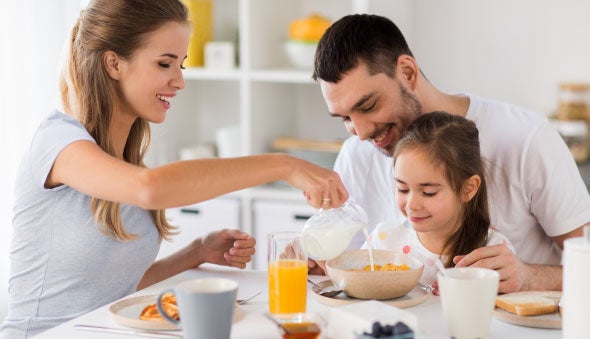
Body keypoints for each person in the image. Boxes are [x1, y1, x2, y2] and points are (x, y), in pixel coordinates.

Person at [0, 1, 348, 337]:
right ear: (114, 64)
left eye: (181, 64)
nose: (180, 80)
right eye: (165, 64)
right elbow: (152, 188)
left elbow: (114, 289)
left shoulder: (122, 162)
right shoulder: (58, 142)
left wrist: (196, 253)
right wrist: (281, 164)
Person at [309, 13, 590, 293]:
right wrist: (320, 264)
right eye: (344, 118)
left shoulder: (525, 138)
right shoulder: (356, 155)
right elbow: (351, 272)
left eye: (368, 106)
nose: (360, 132)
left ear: (407, 72)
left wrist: (528, 277)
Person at [365, 111, 515, 289]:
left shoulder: (493, 252)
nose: (411, 204)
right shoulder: (383, 241)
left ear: (468, 189)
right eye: (402, 189)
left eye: (428, 192)